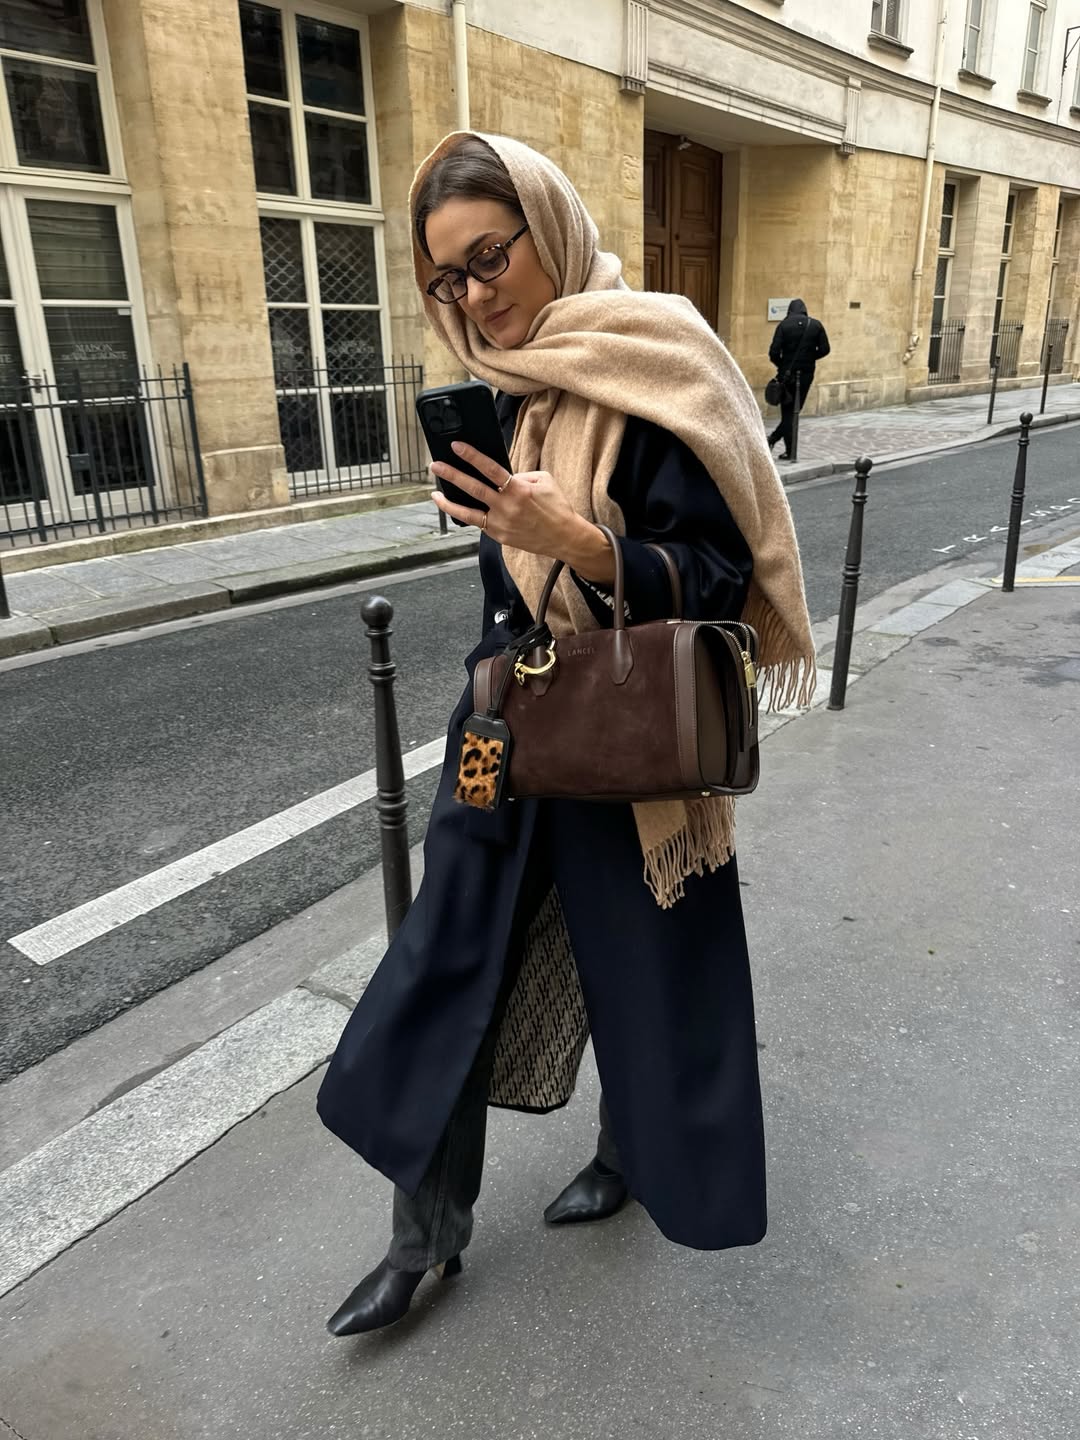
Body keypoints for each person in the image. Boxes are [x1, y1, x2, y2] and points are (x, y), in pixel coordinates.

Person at [316, 132, 816, 1337]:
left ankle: (636, 1156)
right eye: (448, 280)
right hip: (505, 725)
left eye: (490, 259)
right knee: (447, 966)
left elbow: (716, 576)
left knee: (636, 967)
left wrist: (588, 546)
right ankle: (421, 1237)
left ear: (548, 224)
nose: (475, 296)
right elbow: (512, 576)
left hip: (630, 734)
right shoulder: (514, 385)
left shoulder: (660, 357)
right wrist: (512, 525)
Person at [766, 299, 830, 460]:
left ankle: (777, 442)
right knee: (794, 412)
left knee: (788, 412)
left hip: (786, 375)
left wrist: (783, 365)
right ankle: (785, 448)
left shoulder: (784, 325)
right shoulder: (815, 325)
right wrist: (809, 358)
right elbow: (825, 349)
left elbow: (773, 352)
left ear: (790, 310)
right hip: (806, 374)